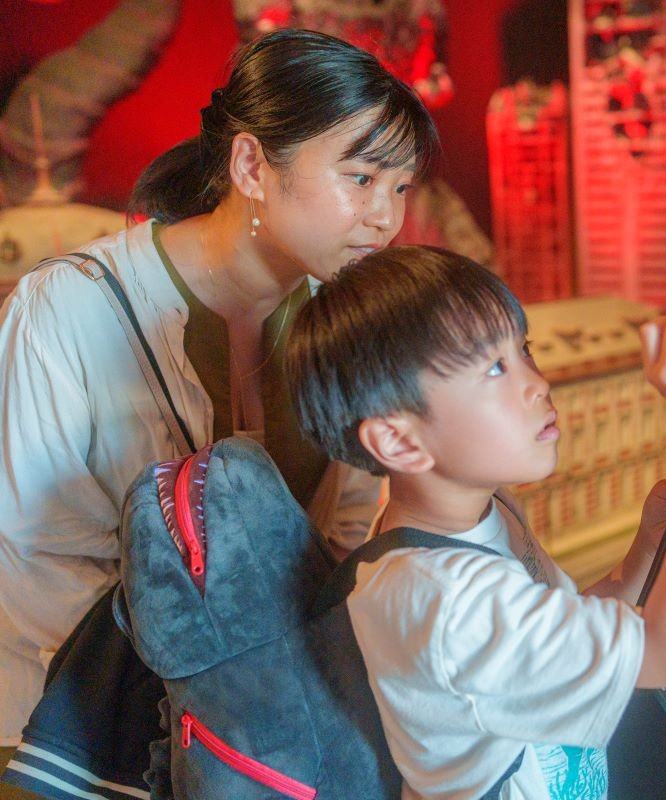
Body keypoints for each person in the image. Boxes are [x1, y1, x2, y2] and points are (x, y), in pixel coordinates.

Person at [0, 27, 439, 759]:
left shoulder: (346, 321)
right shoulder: (68, 308)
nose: (386, 218)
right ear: (251, 166)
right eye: (361, 179)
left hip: (267, 743)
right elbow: (36, 564)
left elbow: (345, 533)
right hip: (87, 736)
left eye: (400, 187)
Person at [285, 246, 666, 800]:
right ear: (399, 441)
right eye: (494, 368)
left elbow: (552, 631)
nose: (537, 383)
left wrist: (644, 555)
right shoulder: (443, 602)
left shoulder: (487, 511)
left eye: (523, 349)